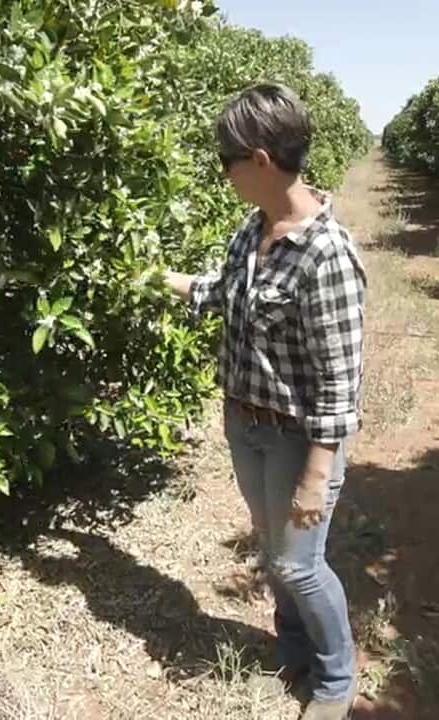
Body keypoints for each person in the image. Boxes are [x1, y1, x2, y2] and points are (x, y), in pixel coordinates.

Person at [163, 83, 366, 720]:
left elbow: (339, 382)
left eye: (226, 160)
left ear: (258, 160)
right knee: (271, 546)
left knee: (299, 563)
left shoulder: (327, 255)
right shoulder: (250, 233)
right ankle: (294, 644)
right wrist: (159, 280)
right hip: (244, 421)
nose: (221, 173)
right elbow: (224, 294)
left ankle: (336, 679)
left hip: (297, 438)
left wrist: (316, 475)